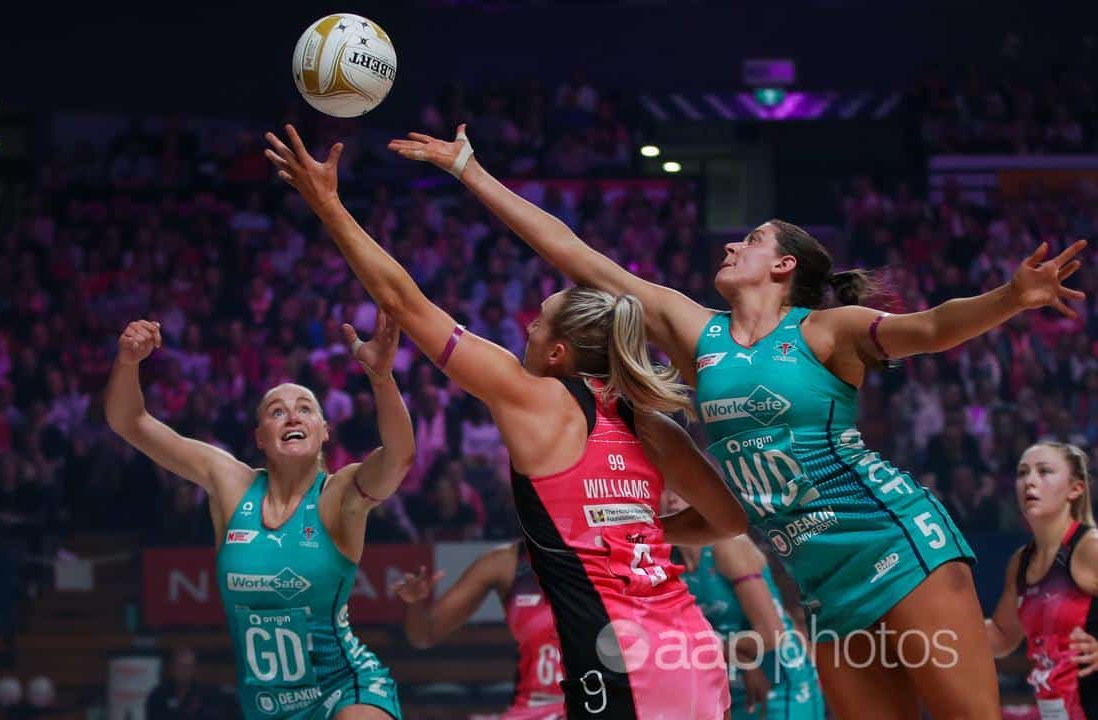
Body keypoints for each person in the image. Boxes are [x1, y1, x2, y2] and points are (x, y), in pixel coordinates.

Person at [387, 125, 1089, 719]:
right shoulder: (700, 335)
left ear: (783, 265)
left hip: (897, 545)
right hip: (821, 582)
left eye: (749, 240)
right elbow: (575, 255)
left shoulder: (824, 331)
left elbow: (932, 327)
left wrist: (1011, 297)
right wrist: (470, 170)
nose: (729, 247)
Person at [266, 126, 748, 720]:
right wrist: (642, 532)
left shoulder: (535, 399)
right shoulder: (654, 427)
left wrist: (327, 205)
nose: (527, 328)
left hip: (624, 662)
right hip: (692, 651)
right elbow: (729, 519)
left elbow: (405, 301)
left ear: (558, 354)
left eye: (538, 323)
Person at [106, 313, 413, 720]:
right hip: (267, 708)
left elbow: (398, 457)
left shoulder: (338, 495)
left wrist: (382, 379)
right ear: (260, 437)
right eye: (277, 411)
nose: (292, 416)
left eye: (305, 409)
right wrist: (127, 363)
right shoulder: (231, 484)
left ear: (324, 431)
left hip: (345, 687)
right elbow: (129, 421)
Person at [985, 443, 1098, 719]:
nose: (1030, 481)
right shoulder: (1021, 562)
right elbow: (1002, 636)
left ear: (1075, 489)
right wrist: (942, 626)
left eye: (1044, 471)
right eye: (1022, 473)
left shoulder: (1097, 550)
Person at [664, 491, 825, 720]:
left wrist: (719, 651)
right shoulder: (666, 559)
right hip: (733, 684)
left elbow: (771, 635)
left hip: (780, 681)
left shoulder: (728, 544)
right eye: (664, 488)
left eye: (680, 489)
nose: (672, 498)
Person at [391, 543, 563, 720]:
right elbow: (424, 636)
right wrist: (414, 603)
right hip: (534, 708)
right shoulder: (505, 562)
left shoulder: (585, 556)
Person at [146, 647, 219, 720]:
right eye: (180, 666)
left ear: (194, 669)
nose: (184, 671)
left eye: (188, 666)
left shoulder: (206, 696)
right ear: (172, 667)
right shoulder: (158, 696)